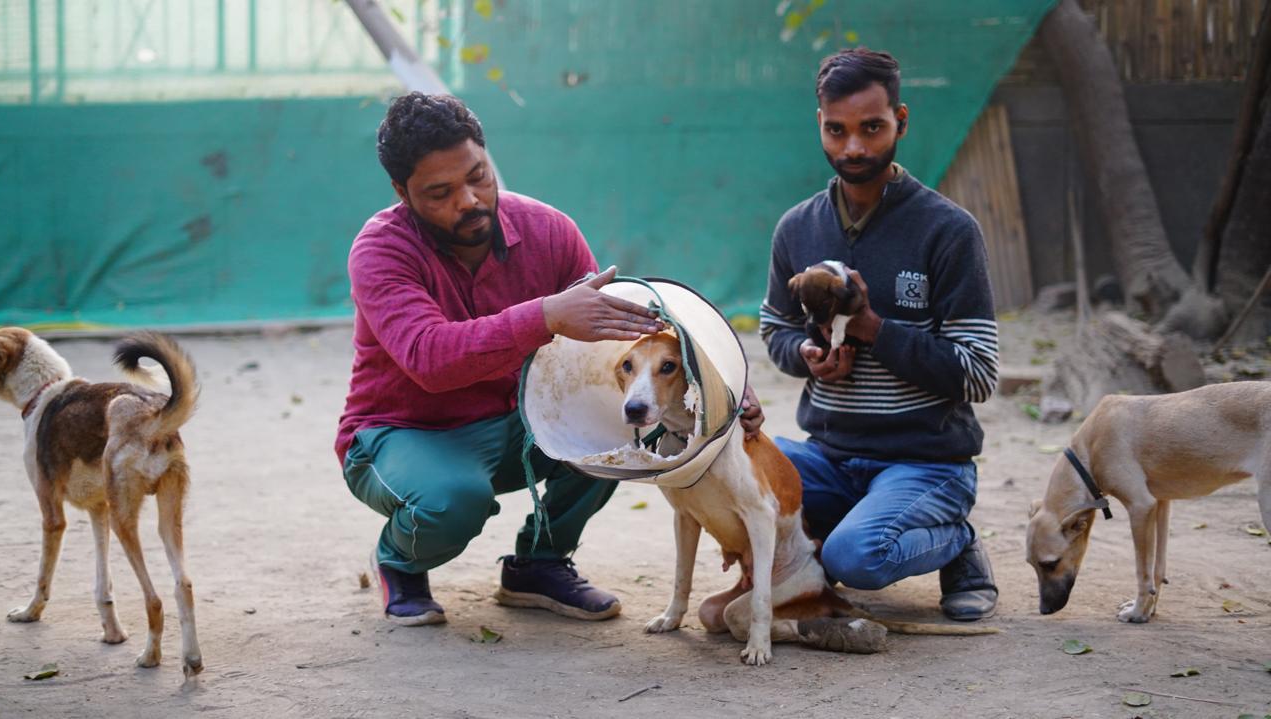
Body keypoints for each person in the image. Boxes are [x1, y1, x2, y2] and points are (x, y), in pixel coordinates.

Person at [337, 92, 765, 626]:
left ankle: (539, 562)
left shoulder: (549, 230)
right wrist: (544, 316)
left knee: (623, 426)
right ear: (402, 192)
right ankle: (399, 561)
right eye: (440, 193)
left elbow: (621, 338)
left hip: (517, 419)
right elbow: (429, 358)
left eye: (478, 176)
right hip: (406, 430)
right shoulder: (380, 250)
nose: (469, 200)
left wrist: (724, 380)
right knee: (452, 501)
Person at [758, 48, 1000, 621]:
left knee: (855, 559)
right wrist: (807, 354)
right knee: (742, 479)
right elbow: (775, 330)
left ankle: (957, 539)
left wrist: (873, 329)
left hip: (925, 461)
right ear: (820, 123)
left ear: (901, 121)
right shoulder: (797, 227)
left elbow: (978, 374)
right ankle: (855, 522)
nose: (853, 148)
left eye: (872, 128)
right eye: (836, 130)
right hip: (831, 455)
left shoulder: (947, 230)